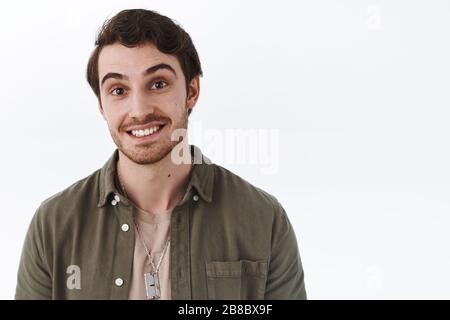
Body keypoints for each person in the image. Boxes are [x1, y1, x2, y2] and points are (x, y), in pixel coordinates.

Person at [15, 8, 306, 300]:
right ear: (102, 106)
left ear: (192, 91)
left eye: (158, 84)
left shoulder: (263, 219)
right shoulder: (53, 225)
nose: (139, 110)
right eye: (118, 90)